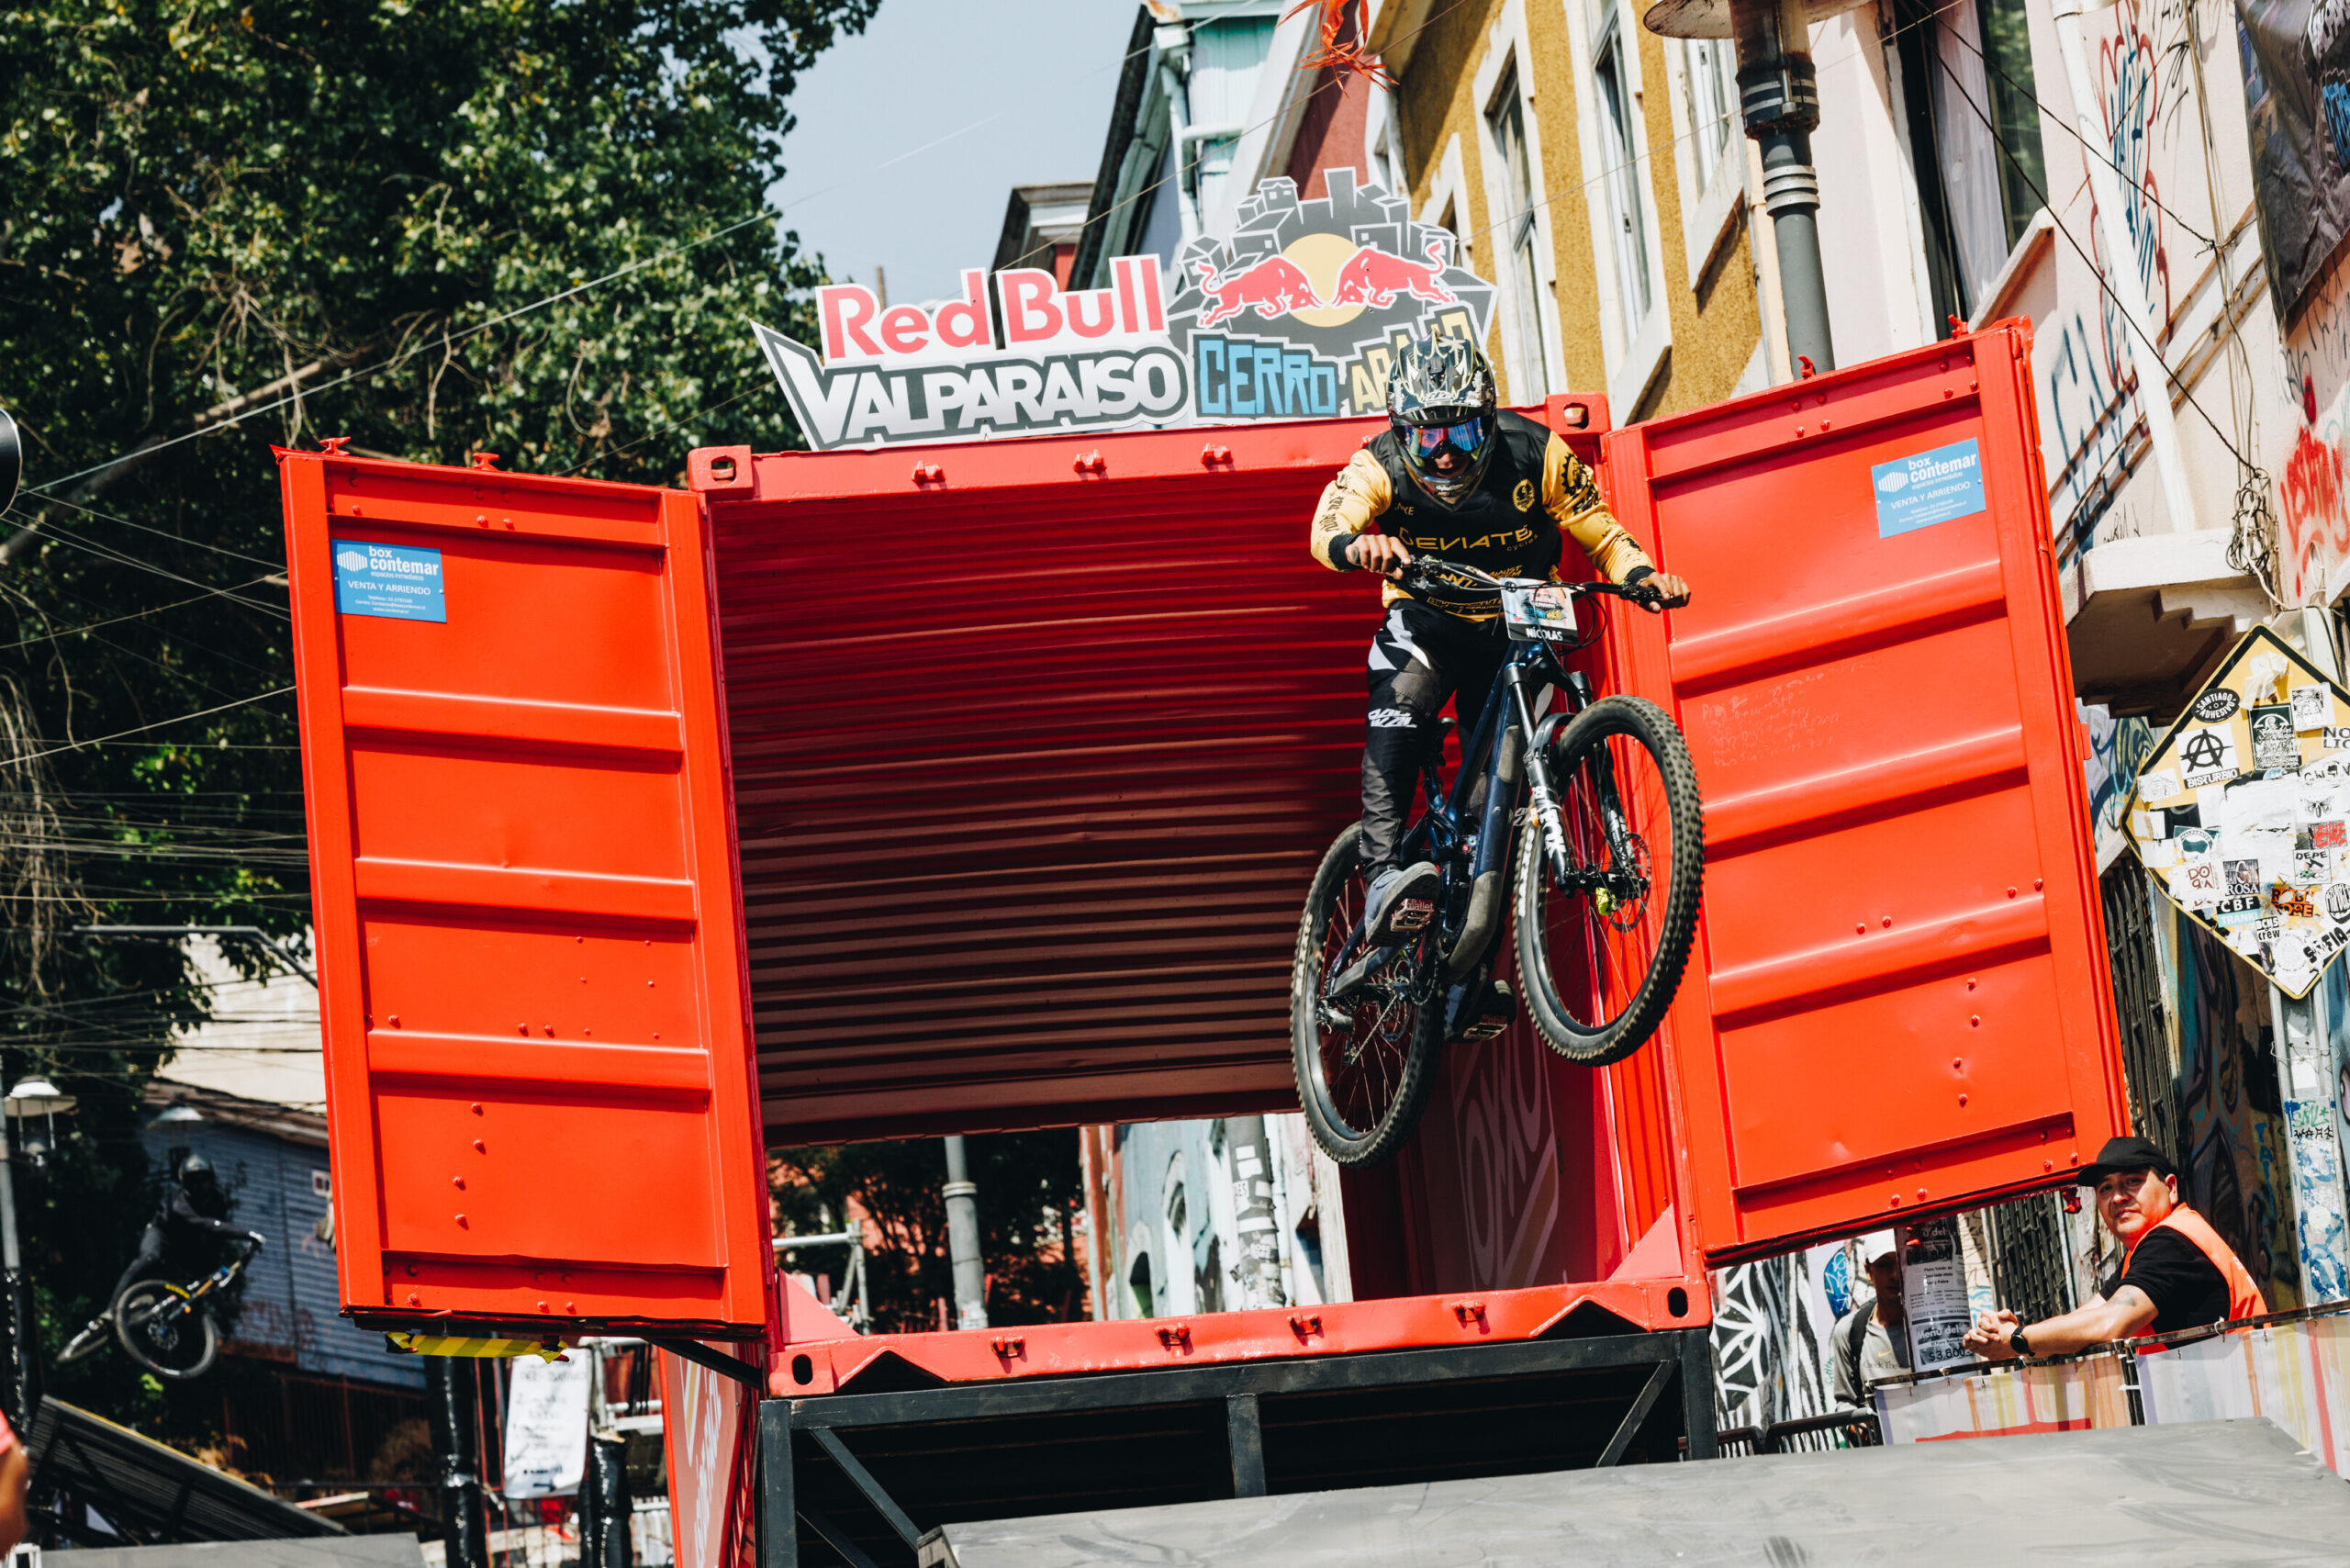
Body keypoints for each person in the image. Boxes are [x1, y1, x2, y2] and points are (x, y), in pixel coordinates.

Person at [1308, 336, 1692, 940]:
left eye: (1460, 434)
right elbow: (1327, 525)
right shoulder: (1377, 462)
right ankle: (1381, 875)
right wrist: (1359, 545)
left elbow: (1605, 535)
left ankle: (1465, 950)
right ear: (1399, 432)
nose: (1443, 456)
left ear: (1488, 421)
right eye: (1425, 438)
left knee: (1499, 791)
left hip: (1518, 623)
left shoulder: (1538, 453)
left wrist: (1642, 578)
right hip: (1427, 618)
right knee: (1401, 706)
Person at [1962, 1136, 2265, 1362]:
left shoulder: (2172, 1243)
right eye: (2106, 1188)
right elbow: (2086, 1319)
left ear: (2171, 1188)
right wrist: (2016, 1336)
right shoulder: (2148, 1251)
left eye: (2132, 1181)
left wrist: (2017, 1340)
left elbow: (2109, 1322)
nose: (2117, 1197)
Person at [79, 1153, 263, 1335]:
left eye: (203, 1180)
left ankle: (161, 1318)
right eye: (193, 1182)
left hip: (184, 1245)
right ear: (184, 1184)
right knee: (149, 1258)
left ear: (212, 1180)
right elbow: (209, 1225)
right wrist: (248, 1234)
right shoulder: (180, 1204)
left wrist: (216, 1268)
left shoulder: (218, 1198)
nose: (199, 1187)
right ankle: (110, 1311)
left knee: (199, 1283)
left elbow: (217, 1237)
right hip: (160, 1234)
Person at [1830, 1233, 1909, 1406]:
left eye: (1900, 1261)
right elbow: (1845, 1401)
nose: (1895, 1275)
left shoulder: (1932, 1324)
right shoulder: (1849, 1331)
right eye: (1884, 1265)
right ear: (1868, 1270)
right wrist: (1857, 1425)